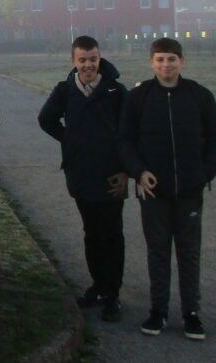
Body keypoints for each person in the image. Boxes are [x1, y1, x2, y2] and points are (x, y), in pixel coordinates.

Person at [118, 37, 216, 341]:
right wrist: (139, 172)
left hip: (189, 192)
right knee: (158, 251)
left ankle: (191, 313)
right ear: (151, 63)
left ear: (182, 61)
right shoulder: (138, 97)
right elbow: (124, 141)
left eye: (172, 59)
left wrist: (204, 174)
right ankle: (158, 311)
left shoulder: (200, 96)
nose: (166, 65)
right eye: (160, 59)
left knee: (189, 253)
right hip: (153, 193)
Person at [37, 35, 128, 322]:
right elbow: (46, 120)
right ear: (73, 61)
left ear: (100, 58)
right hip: (81, 176)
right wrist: (70, 141)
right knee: (91, 233)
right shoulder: (65, 91)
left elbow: (129, 134)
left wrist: (126, 171)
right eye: (82, 60)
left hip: (112, 178)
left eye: (93, 59)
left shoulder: (116, 91)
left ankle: (113, 295)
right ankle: (97, 286)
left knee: (112, 235)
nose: (88, 65)